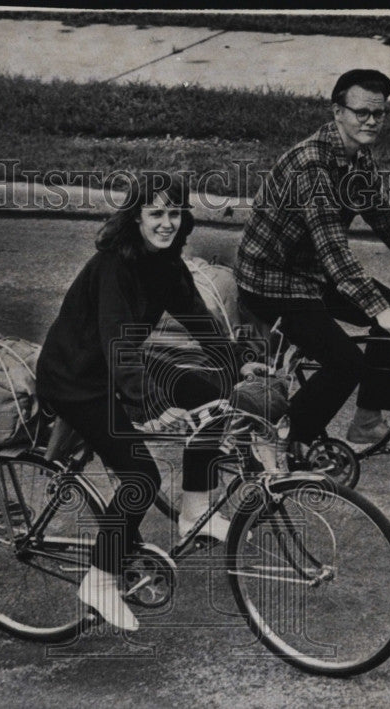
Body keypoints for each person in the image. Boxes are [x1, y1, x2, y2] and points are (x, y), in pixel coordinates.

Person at [36, 174, 237, 632]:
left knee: (210, 393)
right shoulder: (115, 266)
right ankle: (100, 580)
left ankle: (195, 511)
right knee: (141, 476)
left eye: (174, 213)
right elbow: (116, 344)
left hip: (115, 373)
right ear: (136, 218)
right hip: (77, 381)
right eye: (155, 214)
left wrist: (238, 367)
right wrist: (149, 406)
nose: (166, 223)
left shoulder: (167, 264)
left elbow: (200, 322)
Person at [234, 68, 390, 449]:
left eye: (379, 113)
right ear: (337, 111)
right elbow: (332, 248)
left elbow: (385, 218)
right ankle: (283, 444)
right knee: (346, 364)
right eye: (362, 112)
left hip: (311, 273)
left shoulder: (356, 157)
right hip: (273, 281)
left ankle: (367, 424)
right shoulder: (312, 165)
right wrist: (376, 309)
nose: (371, 121)